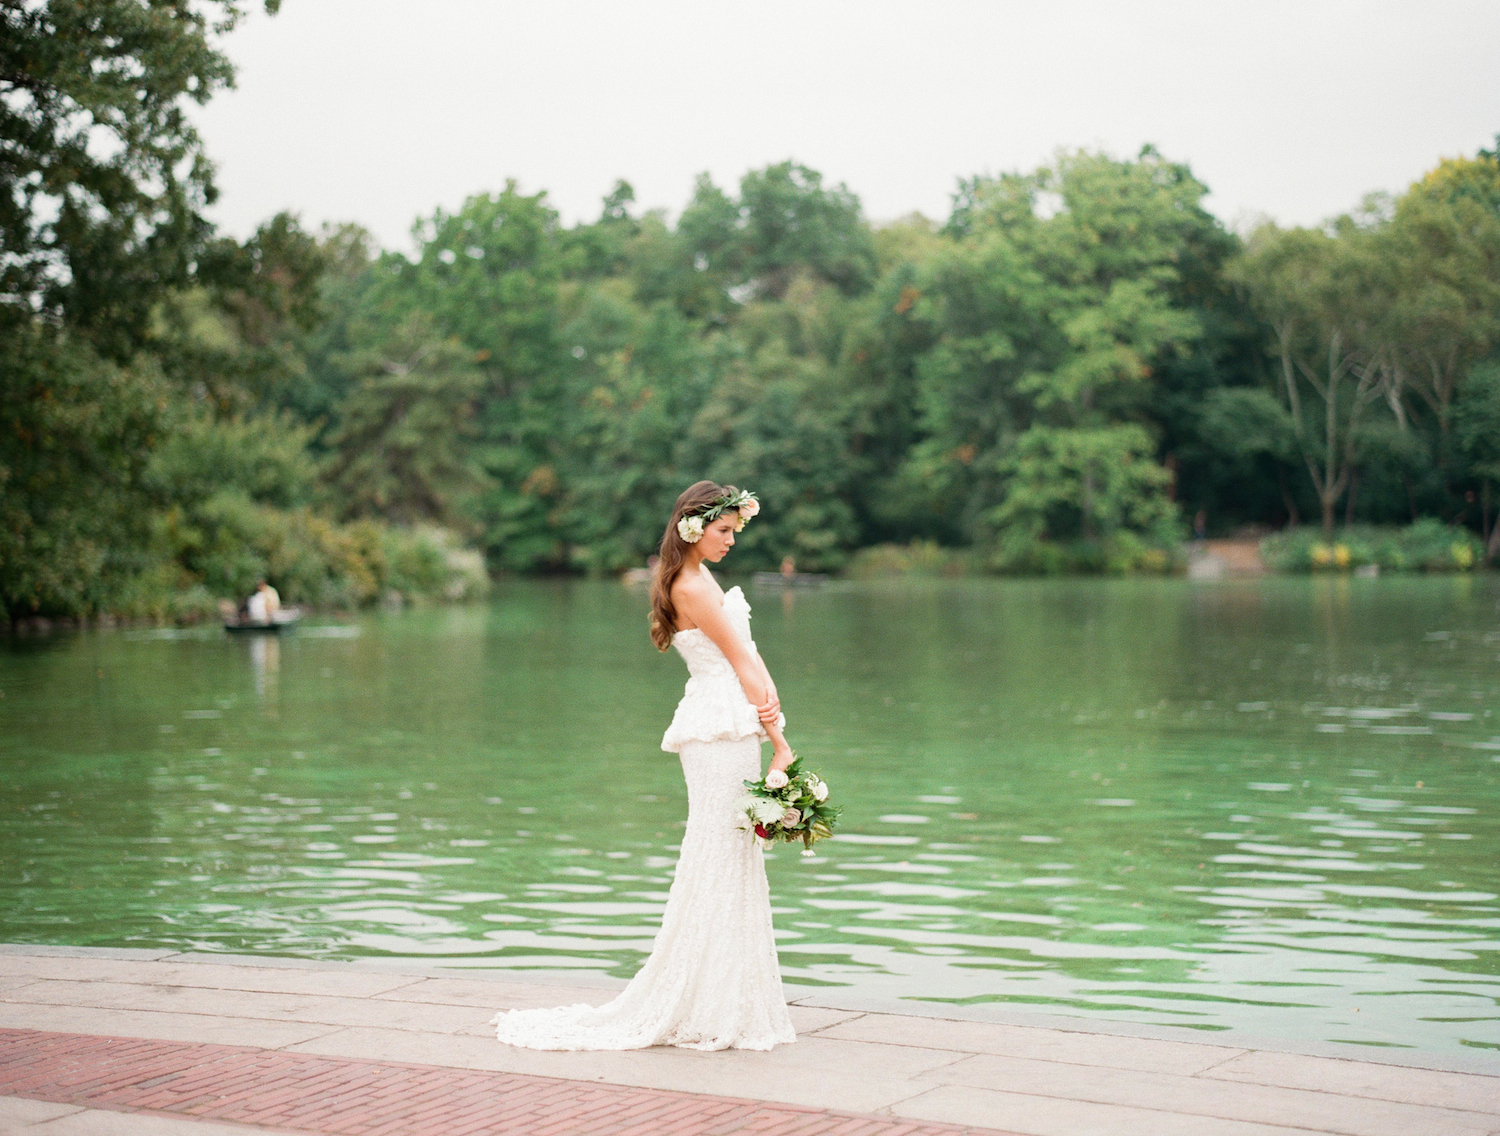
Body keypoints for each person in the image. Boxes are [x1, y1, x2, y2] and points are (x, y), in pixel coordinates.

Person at [492, 481, 796, 1052]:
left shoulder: (698, 577)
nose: (732, 540)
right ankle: (703, 1001)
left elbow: (749, 663)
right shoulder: (693, 586)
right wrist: (781, 741)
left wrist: (768, 724)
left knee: (731, 853)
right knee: (720, 849)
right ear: (691, 527)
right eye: (723, 530)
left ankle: (721, 997)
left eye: (735, 531)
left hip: (727, 722)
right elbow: (743, 661)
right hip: (720, 729)